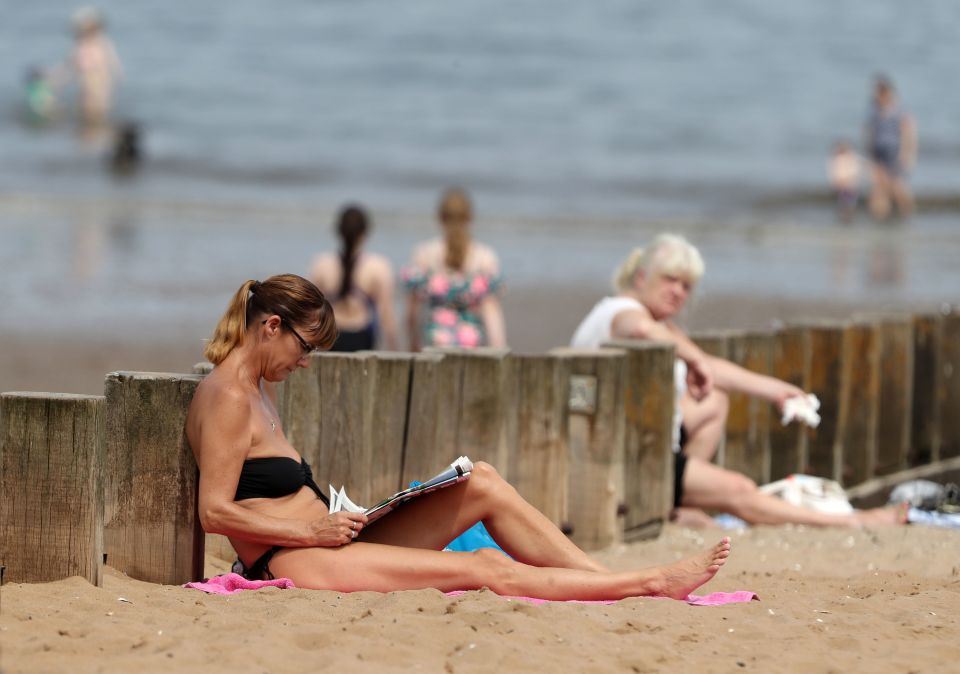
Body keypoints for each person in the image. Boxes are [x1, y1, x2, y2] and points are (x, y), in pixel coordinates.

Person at [184, 273, 732, 600]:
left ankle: (610, 580)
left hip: (334, 536)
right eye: (305, 348)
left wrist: (335, 522)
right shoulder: (231, 396)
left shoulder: (260, 385)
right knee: (484, 569)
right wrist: (315, 533)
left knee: (483, 483)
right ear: (272, 326)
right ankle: (647, 586)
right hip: (295, 556)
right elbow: (215, 514)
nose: (305, 363)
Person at [570, 233, 907, 528]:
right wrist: (694, 359)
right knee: (740, 490)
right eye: (670, 279)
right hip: (614, 457)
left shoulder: (661, 326)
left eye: (686, 286)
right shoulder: (620, 311)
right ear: (641, 277)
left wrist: (774, 390)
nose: (678, 291)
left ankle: (676, 505)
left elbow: (712, 367)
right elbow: (641, 330)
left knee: (715, 399)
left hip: (642, 442)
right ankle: (851, 522)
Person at [402, 188, 506, 350]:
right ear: (470, 217)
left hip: (434, 342)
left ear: (439, 217)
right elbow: (491, 312)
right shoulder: (485, 256)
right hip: (471, 343)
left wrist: (413, 345)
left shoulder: (424, 253)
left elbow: (412, 314)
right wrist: (498, 349)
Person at [309, 205, 398, 351]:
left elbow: (310, 312)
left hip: (329, 336)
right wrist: (394, 349)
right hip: (361, 337)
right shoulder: (378, 266)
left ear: (338, 231)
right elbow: (386, 316)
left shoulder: (321, 264)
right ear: (365, 232)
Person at [864, 76, 917, 221]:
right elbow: (870, 132)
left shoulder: (898, 110)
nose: (877, 96)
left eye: (880, 92)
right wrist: (869, 156)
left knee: (897, 187)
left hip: (895, 153)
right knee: (878, 188)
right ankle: (880, 221)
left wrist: (907, 155)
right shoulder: (874, 110)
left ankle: (907, 215)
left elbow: (908, 133)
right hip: (878, 153)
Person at [69, 7, 122, 131]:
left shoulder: (102, 43)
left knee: (99, 110)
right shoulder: (80, 45)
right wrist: (54, 79)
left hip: (101, 82)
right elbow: (70, 67)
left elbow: (113, 62)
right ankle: (89, 135)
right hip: (87, 82)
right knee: (86, 110)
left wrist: (117, 75)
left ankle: (97, 135)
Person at [828, 141, 861, 223]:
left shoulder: (851, 158)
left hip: (850, 186)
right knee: (842, 203)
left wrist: (850, 182)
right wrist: (837, 183)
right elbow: (834, 174)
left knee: (850, 203)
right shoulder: (836, 160)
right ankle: (844, 217)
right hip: (841, 186)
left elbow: (855, 173)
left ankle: (849, 216)